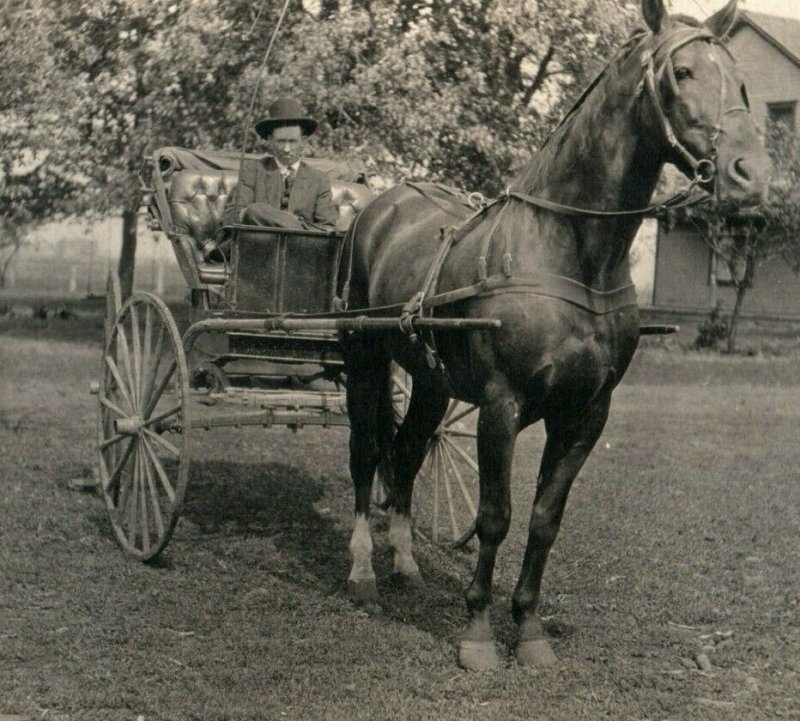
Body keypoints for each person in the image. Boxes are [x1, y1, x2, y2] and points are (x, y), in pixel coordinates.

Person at [222, 97, 338, 232]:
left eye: (293, 141)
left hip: (299, 249)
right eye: (281, 141)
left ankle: (295, 228)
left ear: (303, 141)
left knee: (254, 210)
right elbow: (232, 218)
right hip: (258, 246)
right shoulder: (253, 170)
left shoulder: (319, 180)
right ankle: (297, 227)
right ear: (270, 140)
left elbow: (327, 229)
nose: (287, 149)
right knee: (254, 211)